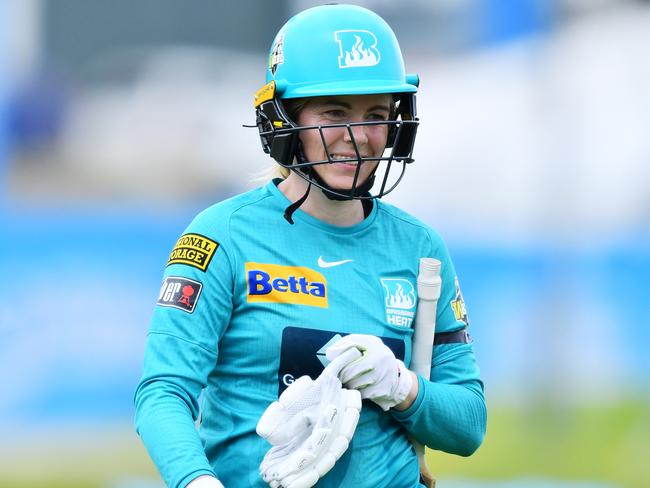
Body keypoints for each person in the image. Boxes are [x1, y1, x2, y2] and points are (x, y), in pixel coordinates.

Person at [134, 4, 486, 488]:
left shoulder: (420, 248)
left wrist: (401, 387)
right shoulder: (220, 236)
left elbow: (469, 425)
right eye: (335, 112)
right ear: (283, 120)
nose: (357, 137)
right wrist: (197, 481)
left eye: (376, 114)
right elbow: (164, 392)